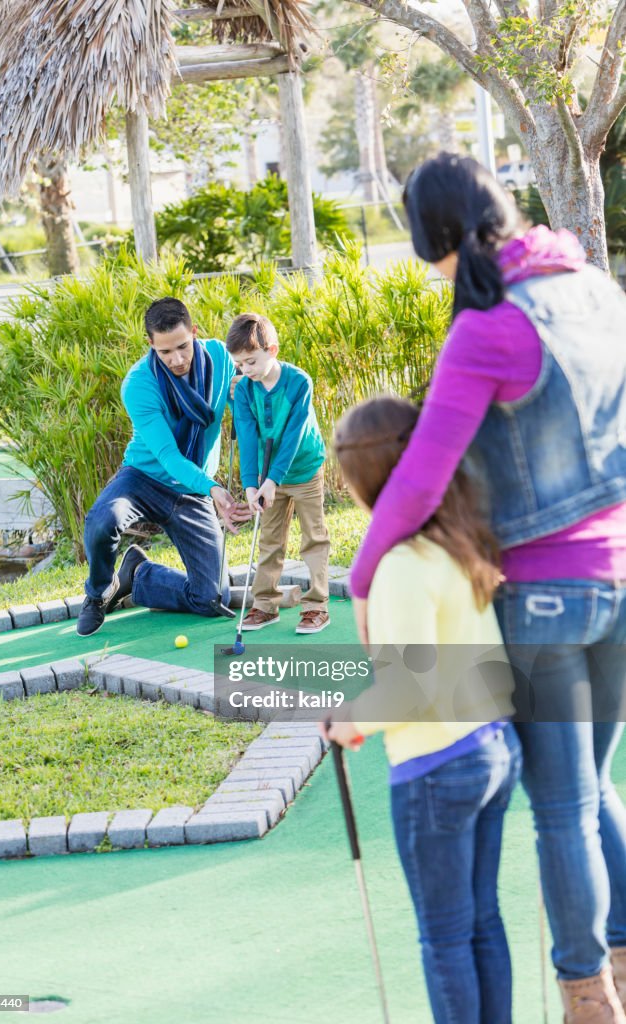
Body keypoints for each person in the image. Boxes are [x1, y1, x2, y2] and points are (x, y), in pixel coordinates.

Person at [349, 153, 626, 1021]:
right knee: (593, 789)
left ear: (434, 237)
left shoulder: (488, 326)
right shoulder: (594, 290)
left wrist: (364, 573)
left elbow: (424, 475)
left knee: (563, 809)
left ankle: (588, 993)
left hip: (545, 598)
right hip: (620, 575)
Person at [325, 394, 521, 1024]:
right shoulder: (458, 543)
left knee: (443, 934)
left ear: (363, 482)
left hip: (437, 767)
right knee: (481, 919)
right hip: (492, 749)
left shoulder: (403, 565)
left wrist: (350, 720)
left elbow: (409, 688)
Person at [76, 297, 250, 638]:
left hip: (191, 489)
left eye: (183, 347)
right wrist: (214, 489)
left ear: (195, 332)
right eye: (165, 352)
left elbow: (245, 406)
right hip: (144, 478)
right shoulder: (139, 384)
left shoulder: (221, 358)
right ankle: (99, 593)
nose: (177, 359)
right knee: (102, 521)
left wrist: (243, 392)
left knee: (212, 598)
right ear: (151, 345)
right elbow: (168, 457)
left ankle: (138, 574)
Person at [226, 312, 330, 634]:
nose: (246, 371)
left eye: (251, 362)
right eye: (240, 365)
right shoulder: (244, 390)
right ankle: (265, 605)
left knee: (314, 537)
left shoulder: (299, 382)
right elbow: (246, 436)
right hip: (267, 476)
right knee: (270, 540)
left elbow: (292, 437)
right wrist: (251, 485)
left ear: (272, 350)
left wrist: (272, 480)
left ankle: (316, 607)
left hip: (303, 469)